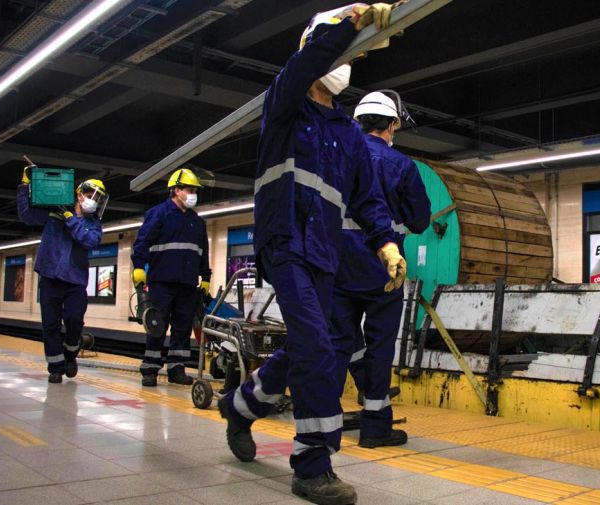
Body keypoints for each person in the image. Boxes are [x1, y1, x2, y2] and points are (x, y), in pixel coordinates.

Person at [216, 4, 402, 504]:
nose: (345, 65)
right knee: (322, 350)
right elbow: (304, 62)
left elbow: (367, 199)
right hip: (284, 242)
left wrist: (385, 241)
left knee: (308, 347)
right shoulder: (285, 105)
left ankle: (239, 406)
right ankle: (312, 464)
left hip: (324, 253)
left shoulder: (348, 135)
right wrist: (350, 24)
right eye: (340, 55)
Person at [333, 90, 430, 448]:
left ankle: (323, 428)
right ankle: (375, 429)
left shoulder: (337, 160)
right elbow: (419, 220)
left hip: (338, 269)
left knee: (337, 342)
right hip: (384, 271)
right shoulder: (402, 166)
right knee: (380, 348)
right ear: (391, 124)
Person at [17, 168, 106, 383]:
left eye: (98, 198)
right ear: (79, 194)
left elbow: (88, 241)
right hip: (50, 277)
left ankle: (70, 354)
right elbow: (26, 215)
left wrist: (69, 217)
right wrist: (25, 186)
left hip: (75, 282)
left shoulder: (93, 225)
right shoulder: (52, 215)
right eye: (91, 195)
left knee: (75, 320)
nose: (94, 201)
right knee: (51, 325)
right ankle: (56, 367)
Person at [131, 168, 211, 387]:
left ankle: (177, 368)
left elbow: (202, 252)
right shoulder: (158, 213)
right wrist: (139, 267)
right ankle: (150, 369)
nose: (193, 193)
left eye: (195, 190)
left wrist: (205, 277)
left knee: (182, 327)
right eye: (189, 189)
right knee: (157, 324)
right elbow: (142, 242)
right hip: (161, 281)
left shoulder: (197, 222)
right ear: (176, 190)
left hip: (187, 283)